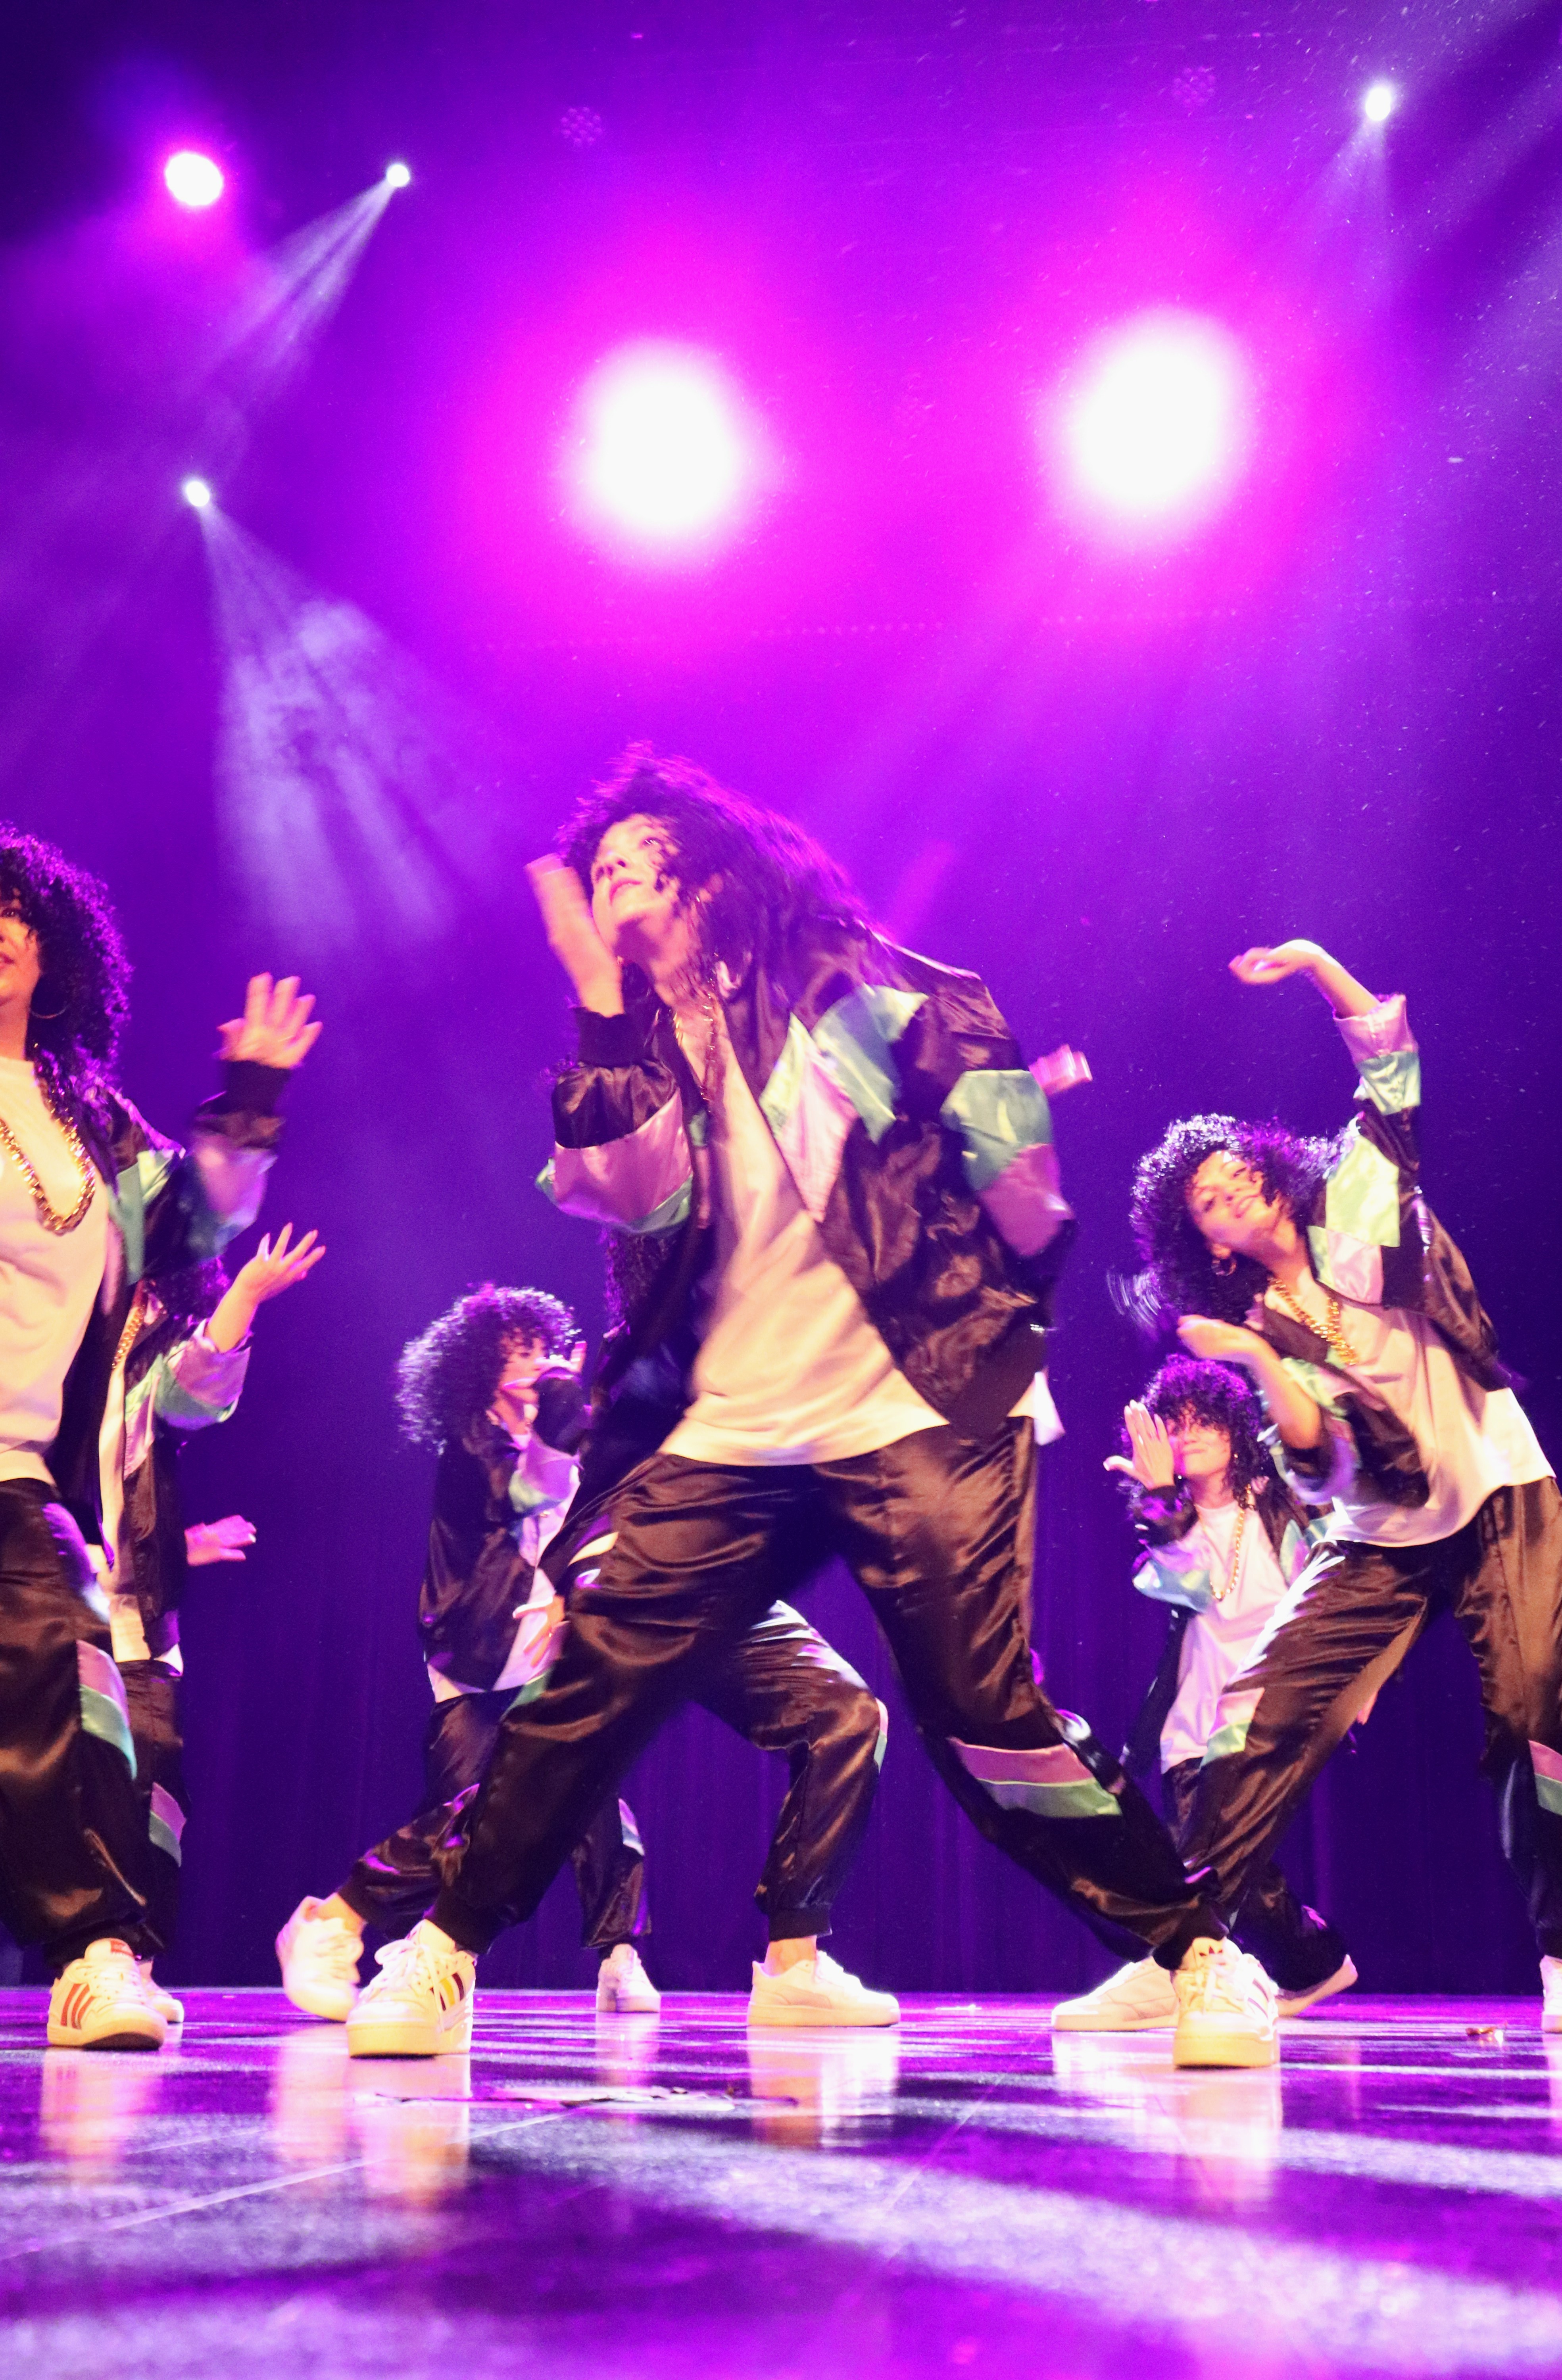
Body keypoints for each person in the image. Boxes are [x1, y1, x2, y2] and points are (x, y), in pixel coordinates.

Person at [344, 748, 1269, 2070]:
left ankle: (1198, 1951)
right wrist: (599, 1003)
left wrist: (1005, 1249)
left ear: (713, 876)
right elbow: (628, 1196)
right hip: (738, 1423)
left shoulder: (838, 980)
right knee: (595, 1680)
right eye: (601, 872)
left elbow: (993, 1113)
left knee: (984, 1720)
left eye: (644, 861)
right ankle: (444, 1949)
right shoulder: (643, 1041)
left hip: (919, 1403)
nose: (619, 883)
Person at [1127, 937, 1562, 2037]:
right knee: (1255, 1716)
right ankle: (1182, 1949)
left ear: (1267, 1165)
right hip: (1377, 1530)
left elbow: (1388, 1071)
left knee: (1540, 1712)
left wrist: (1312, 963)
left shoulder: (1359, 1197)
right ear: (1210, 1245)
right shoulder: (1260, 1322)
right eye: (1204, 1200)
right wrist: (1257, 1362)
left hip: (1498, 1488)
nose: (1225, 1187)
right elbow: (1323, 1459)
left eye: (1230, 1168)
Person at [279, 1283, 893, 2043]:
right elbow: (546, 1490)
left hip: (702, 1574)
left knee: (845, 1718)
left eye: (543, 1351)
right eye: (520, 1354)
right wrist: (578, 1569)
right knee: (526, 1793)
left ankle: (775, 1963)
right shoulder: (489, 1439)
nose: (536, 1365)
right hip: (494, 1662)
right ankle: (361, 1924)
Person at [0, 823, 317, 2050]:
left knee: (72, 1666)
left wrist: (252, 1099)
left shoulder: (89, 1123)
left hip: (22, 1474)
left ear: (53, 951)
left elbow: (190, 1228)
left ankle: (96, 1955)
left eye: (17, 910)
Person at [1051, 1355, 1355, 2032]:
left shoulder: (1288, 1500)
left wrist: (1362, 1679)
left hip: (1272, 1711)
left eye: (1205, 1420)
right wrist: (1160, 1499)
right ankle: (1311, 1962)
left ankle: (1172, 1965)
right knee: (1216, 1861)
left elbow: (1345, 1587)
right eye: (1176, 1423)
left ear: (1236, 1427)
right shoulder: (1167, 1520)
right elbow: (1189, 1586)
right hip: (1194, 1718)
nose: (1188, 1434)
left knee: (1207, 1856)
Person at [97, 1227, 325, 2031]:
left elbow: (195, 1386)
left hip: (131, 1613)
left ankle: (130, 1960)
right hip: (41, 1592)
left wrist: (247, 1294)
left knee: (154, 1783)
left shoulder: (147, 1356)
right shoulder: (54, 1335)